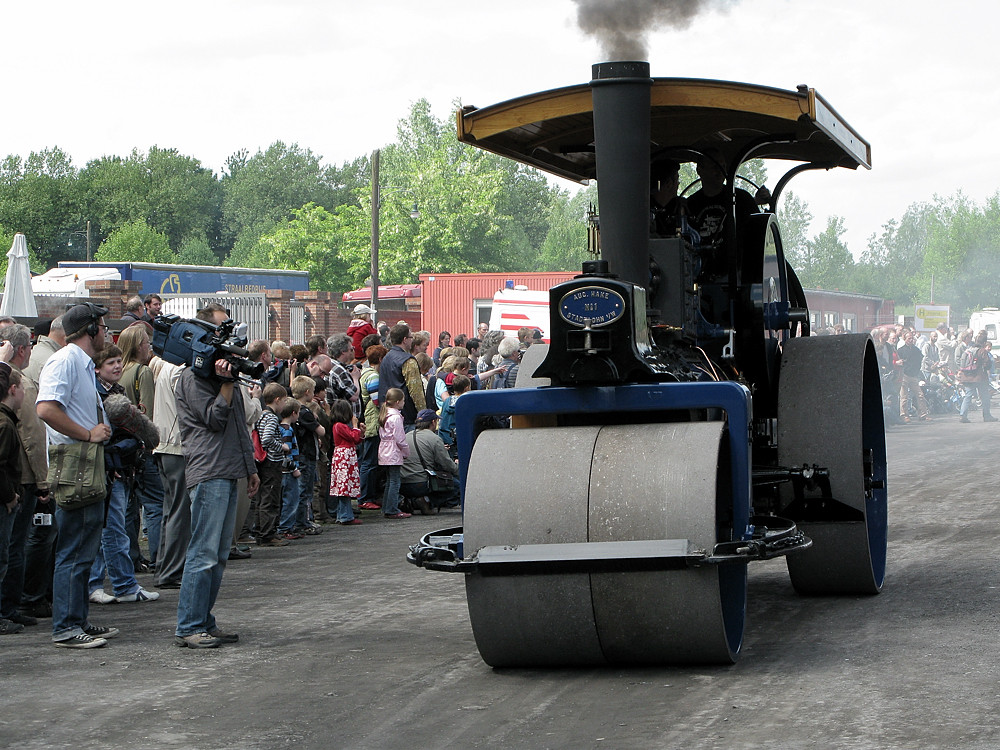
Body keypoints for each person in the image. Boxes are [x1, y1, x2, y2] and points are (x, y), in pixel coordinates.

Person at [172, 304, 260, 649]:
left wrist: (250, 469)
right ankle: (189, 625)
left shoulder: (222, 378)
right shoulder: (191, 378)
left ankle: (203, 621)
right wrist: (225, 385)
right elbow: (215, 419)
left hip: (229, 469)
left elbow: (239, 425)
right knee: (204, 552)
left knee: (219, 554)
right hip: (208, 471)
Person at [36, 302, 117, 649]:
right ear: (91, 330)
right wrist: (87, 434)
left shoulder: (80, 363)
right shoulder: (67, 360)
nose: (108, 333)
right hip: (76, 462)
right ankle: (67, 627)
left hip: (85, 462)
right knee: (73, 548)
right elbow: (46, 409)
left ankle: (76, 620)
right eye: (103, 326)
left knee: (83, 548)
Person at [88, 343, 160, 606]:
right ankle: (121, 584)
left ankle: (106, 583)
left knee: (111, 526)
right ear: (97, 368)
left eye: (119, 361)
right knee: (112, 527)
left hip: (122, 467)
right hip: (110, 468)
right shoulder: (96, 393)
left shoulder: (116, 390)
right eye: (111, 363)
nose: (117, 366)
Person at [0, 324, 50, 630]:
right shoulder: (23, 385)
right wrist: (41, 481)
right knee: (12, 547)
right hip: (19, 482)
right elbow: (31, 437)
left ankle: (10, 604)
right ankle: (8, 606)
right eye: (29, 347)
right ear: (22, 350)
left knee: (14, 546)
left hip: (17, 480)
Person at [118, 324, 162, 572]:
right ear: (138, 346)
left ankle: (132, 557)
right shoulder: (142, 372)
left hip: (124, 449)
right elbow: (149, 413)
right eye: (146, 342)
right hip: (142, 447)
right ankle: (157, 556)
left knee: (128, 507)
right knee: (156, 504)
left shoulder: (119, 372)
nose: (150, 347)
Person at [685, 148, 758, 276]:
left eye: (723, 166)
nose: (720, 170)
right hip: (699, 276)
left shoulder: (742, 199)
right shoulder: (690, 205)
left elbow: (757, 239)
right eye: (714, 166)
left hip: (737, 277)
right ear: (699, 170)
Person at [0, 362, 25, 634]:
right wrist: (9, 496)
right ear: (12, 390)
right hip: (4, 500)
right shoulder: (5, 424)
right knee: (2, 557)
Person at [400, 408, 461, 513]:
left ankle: (412, 502)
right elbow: (447, 465)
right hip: (422, 484)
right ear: (433, 422)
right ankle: (427, 501)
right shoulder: (434, 438)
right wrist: (459, 470)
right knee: (457, 486)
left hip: (402, 484)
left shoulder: (406, 436)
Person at [254, 383, 290, 547]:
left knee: (263, 498)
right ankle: (268, 534)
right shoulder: (271, 417)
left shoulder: (261, 414)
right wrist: (281, 446)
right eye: (283, 401)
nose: (284, 405)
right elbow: (267, 438)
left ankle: (261, 530)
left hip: (263, 462)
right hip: (272, 461)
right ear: (277, 400)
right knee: (270, 497)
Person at [378, 324, 425, 431]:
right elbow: (416, 391)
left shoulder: (386, 358)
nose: (412, 340)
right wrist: (423, 413)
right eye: (411, 337)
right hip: (407, 416)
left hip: (387, 414)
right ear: (405, 339)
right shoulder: (408, 361)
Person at [358, 344, 386, 510]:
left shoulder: (365, 373)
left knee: (368, 461)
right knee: (369, 462)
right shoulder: (373, 376)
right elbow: (377, 401)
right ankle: (365, 497)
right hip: (373, 422)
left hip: (370, 420)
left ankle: (366, 496)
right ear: (380, 359)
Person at [329, 399, 363, 525]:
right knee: (344, 487)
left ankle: (343, 513)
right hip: (345, 457)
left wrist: (360, 431)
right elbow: (353, 437)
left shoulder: (340, 426)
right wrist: (355, 426)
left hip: (345, 457)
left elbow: (356, 439)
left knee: (345, 486)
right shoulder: (339, 426)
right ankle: (345, 515)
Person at [378, 388, 411, 519]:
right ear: (397, 402)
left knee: (390, 479)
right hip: (393, 451)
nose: (404, 403)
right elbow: (400, 438)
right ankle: (392, 508)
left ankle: (387, 507)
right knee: (395, 481)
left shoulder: (385, 414)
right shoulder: (396, 417)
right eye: (403, 401)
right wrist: (406, 451)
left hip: (384, 450)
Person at [958, 330, 997, 424]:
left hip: (967, 376)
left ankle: (963, 414)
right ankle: (987, 415)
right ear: (984, 342)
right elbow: (987, 364)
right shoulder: (982, 351)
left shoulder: (970, 349)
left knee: (968, 395)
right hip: (979, 377)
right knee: (985, 396)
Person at [649, 158, 689, 238]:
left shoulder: (680, 206)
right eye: (677, 180)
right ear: (669, 184)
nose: (678, 184)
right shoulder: (646, 209)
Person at [897, 331, 930, 423]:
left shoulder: (916, 350)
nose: (911, 340)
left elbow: (920, 360)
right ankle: (904, 415)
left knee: (920, 395)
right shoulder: (901, 350)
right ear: (905, 339)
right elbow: (899, 362)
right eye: (909, 338)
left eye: (912, 338)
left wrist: (917, 372)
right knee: (904, 397)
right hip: (904, 375)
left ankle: (923, 414)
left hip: (914, 375)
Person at [437, 373, 471, 461]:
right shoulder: (466, 403)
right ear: (467, 388)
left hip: (447, 437)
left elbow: (443, 419)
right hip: (461, 438)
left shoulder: (447, 401)